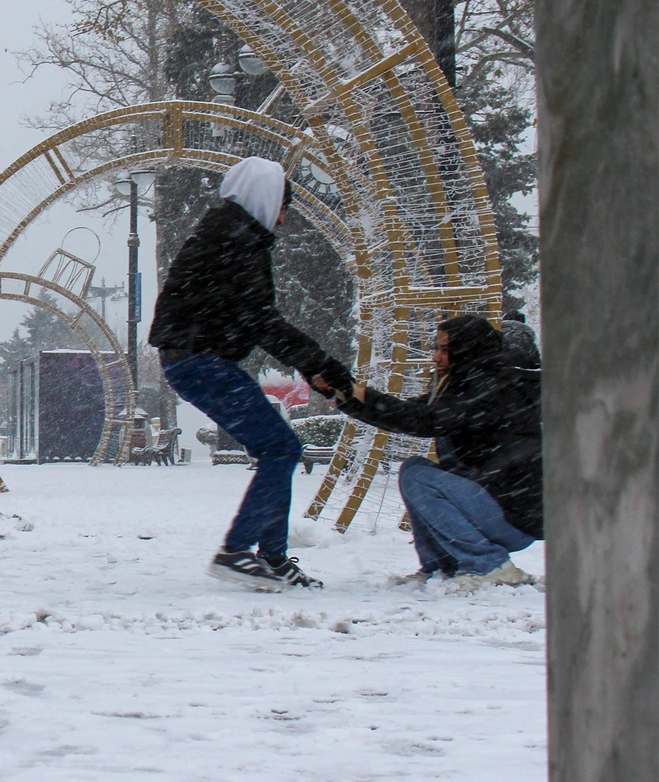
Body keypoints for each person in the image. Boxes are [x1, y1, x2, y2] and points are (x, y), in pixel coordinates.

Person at [149, 156, 353, 591]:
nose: (282, 219)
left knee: (279, 448)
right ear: (266, 200)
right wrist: (321, 365)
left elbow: (251, 317)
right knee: (282, 449)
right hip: (199, 361)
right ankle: (238, 551)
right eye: (282, 207)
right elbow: (262, 320)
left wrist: (314, 366)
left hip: (195, 358)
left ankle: (272, 559)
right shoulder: (237, 240)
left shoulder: (226, 233)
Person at [334, 314, 542, 586]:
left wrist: (358, 396)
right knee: (414, 469)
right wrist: (349, 397)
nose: (436, 357)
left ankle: (489, 565)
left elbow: (426, 420)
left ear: (467, 350)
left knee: (418, 478)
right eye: (436, 348)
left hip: (513, 518)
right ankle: (439, 566)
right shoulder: (468, 382)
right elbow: (416, 412)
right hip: (494, 504)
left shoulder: (492, 386)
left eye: (445, 349)